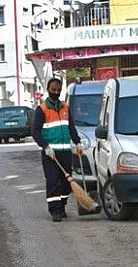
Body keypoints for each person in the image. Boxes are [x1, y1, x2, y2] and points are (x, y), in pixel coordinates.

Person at [32, 77, 83, 222]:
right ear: (48, 90)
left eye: (59, 90)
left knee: (66, 183)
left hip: (65, 152)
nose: (56, 92)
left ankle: (62, 205)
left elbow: (71, 128)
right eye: (53, 90)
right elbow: (35, 132)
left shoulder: (65, 108)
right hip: (50, 154)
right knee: (53, 182)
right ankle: (55, 211)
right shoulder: (42, 109)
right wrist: (45, 146)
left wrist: (77, 143)